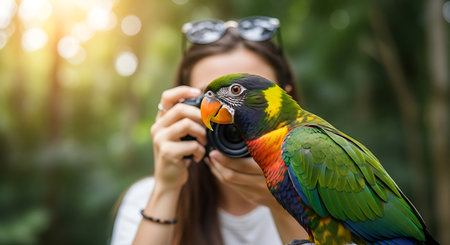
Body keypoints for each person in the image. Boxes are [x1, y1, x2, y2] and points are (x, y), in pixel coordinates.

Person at [111, 16, 309, 245]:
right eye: (210, 97)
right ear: (183, 105)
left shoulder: (331, 190)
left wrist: (283, 204)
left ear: (287, 100)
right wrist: (166, 189)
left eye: (254, 97)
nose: (233, 118)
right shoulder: (145, 199)